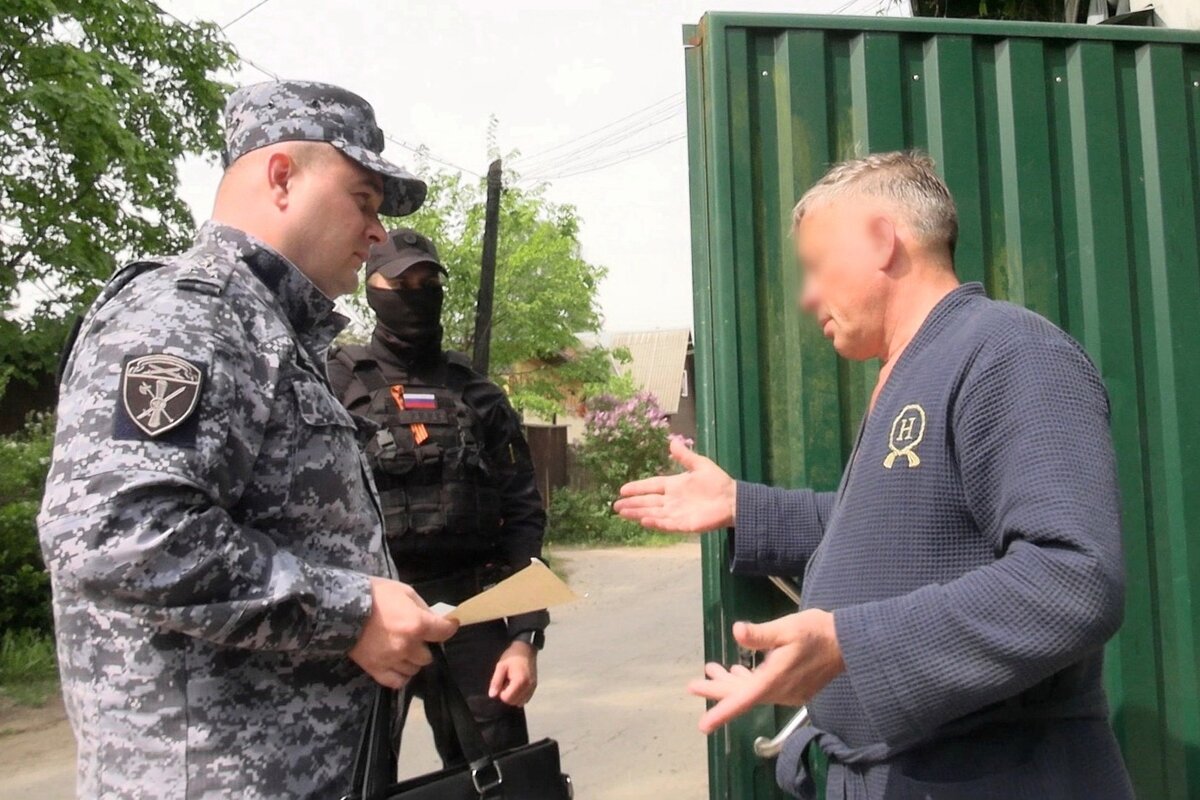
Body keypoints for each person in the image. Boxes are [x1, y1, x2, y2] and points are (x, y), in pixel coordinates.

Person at [616, 152, 1133, 799]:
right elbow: (891, 530)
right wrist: (742, 506)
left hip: (990, 775)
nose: (807, 296)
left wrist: (851, 645)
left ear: (883, 240)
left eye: (816, 266)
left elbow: (1075, 578)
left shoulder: (1009, 351)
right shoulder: (912, 369)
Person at [38, 81, 460, 799]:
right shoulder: (189, 313)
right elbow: (118, 532)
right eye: (364, 199)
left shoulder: (270, 330)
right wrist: (352, 611)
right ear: (282, 176)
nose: (379, 232)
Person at [327, 228, 548, 767]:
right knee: (354, 779)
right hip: (371, 617)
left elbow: (523, 514)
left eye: (428, 282)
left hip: (469, 613)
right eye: (402, 282)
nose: (417, 293)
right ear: (371, 288)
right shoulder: (333, 381)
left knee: (502, 778)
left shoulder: (477, 392)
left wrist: (524, 637)